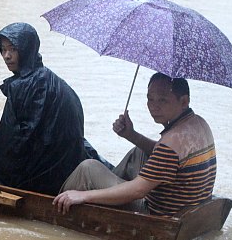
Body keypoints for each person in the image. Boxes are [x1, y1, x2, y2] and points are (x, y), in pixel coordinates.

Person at [53, 73, 217, 217]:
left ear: (184, 101)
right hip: (186, 205)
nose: (153, 106)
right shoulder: (200, 123)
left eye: (163, 100)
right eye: (150, 99)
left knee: (88, 169)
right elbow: (167, 158)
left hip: (156, 213)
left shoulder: (171, 143)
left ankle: (57, 207)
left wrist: (83, 196)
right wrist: (131, 135)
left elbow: (138, 190)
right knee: (138, 152)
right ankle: (104, 193)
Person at [0, 22, 98, 195]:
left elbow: (14, 144)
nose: (6, 56)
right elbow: (41, 126)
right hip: (61, 168)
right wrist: (4, 124)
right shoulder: (55, 81)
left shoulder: (22, 85)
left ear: (26, 49)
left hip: (33, 173)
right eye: (3, 49)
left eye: (12, 49)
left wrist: (6, 127)